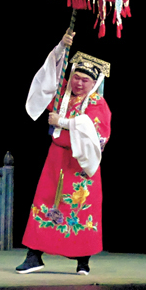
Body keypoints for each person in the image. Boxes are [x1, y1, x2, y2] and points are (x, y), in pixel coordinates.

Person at [16, 30, 112, 276]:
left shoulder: (97, 103)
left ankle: (83, 260)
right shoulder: (62, 95)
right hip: (56, 158)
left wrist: (63, 122)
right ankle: (34, 256)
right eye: (76, 77)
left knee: (81, 207)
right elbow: (49, 76)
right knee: (45, 202)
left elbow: (95, 131)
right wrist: (60, 47)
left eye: (85, 80)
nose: (79, 83)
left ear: (94, 83)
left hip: (81, 163)